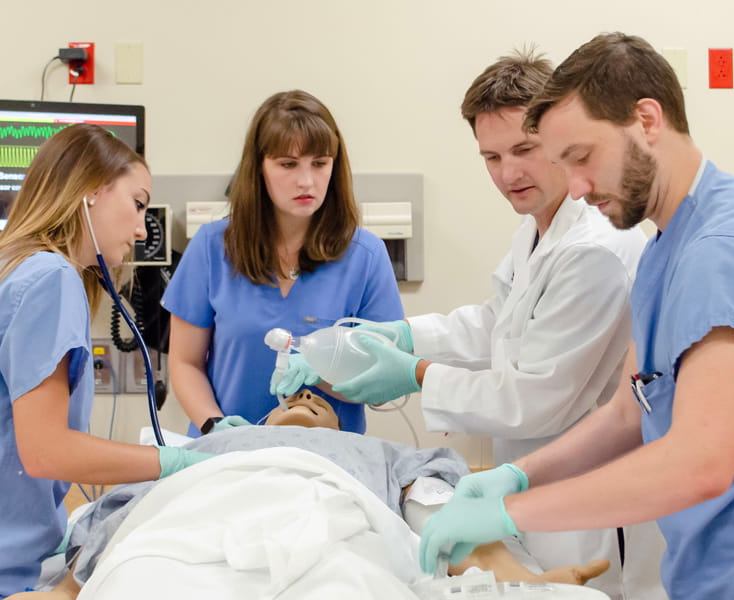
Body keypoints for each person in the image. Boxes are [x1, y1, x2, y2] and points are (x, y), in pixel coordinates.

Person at [419, 32, 734, 600]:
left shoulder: (726, 252)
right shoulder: (668, 245)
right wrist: (515, 476)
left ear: (647, 119)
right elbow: (627, 413)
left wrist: (514, 511)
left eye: (583, 158)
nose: (579, 188)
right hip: (707, 570)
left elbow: (700, 461)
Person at [273, 50, 664, 599]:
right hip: (530, 487)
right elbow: (496, 323)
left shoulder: (595, 249)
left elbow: (536, 396)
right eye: (492, 156)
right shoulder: (536, 230)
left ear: (556, 135)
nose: (509, 173)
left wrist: (416, 373)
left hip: (587, 504)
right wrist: (402, 336)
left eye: (525, 149)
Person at [0, 124, 214, 600]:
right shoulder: (48, 278)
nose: (143, 229)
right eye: (138, 203)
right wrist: (174, 463)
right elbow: (46, 451)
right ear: (90, 193)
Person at [3, 391, 610, 600]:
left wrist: (520, 583)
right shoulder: (189, 457)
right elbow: (94, 543)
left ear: (342, 427)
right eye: (295, 400)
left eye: (320, 403)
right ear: (256, 418)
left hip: (332, 532)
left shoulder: (381, 455)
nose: (306, 401)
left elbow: (444, 521)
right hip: (175, 538)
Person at [162, 89, 403, 436]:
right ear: (259, 168)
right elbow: (185, 363)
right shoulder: (212, 249)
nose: (306, 180)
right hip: (226, 455)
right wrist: (214, 427)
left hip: (328, 459)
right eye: (288, 164)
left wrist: (322, 371)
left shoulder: (365, 257)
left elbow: (384, 380)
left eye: (319, 163)